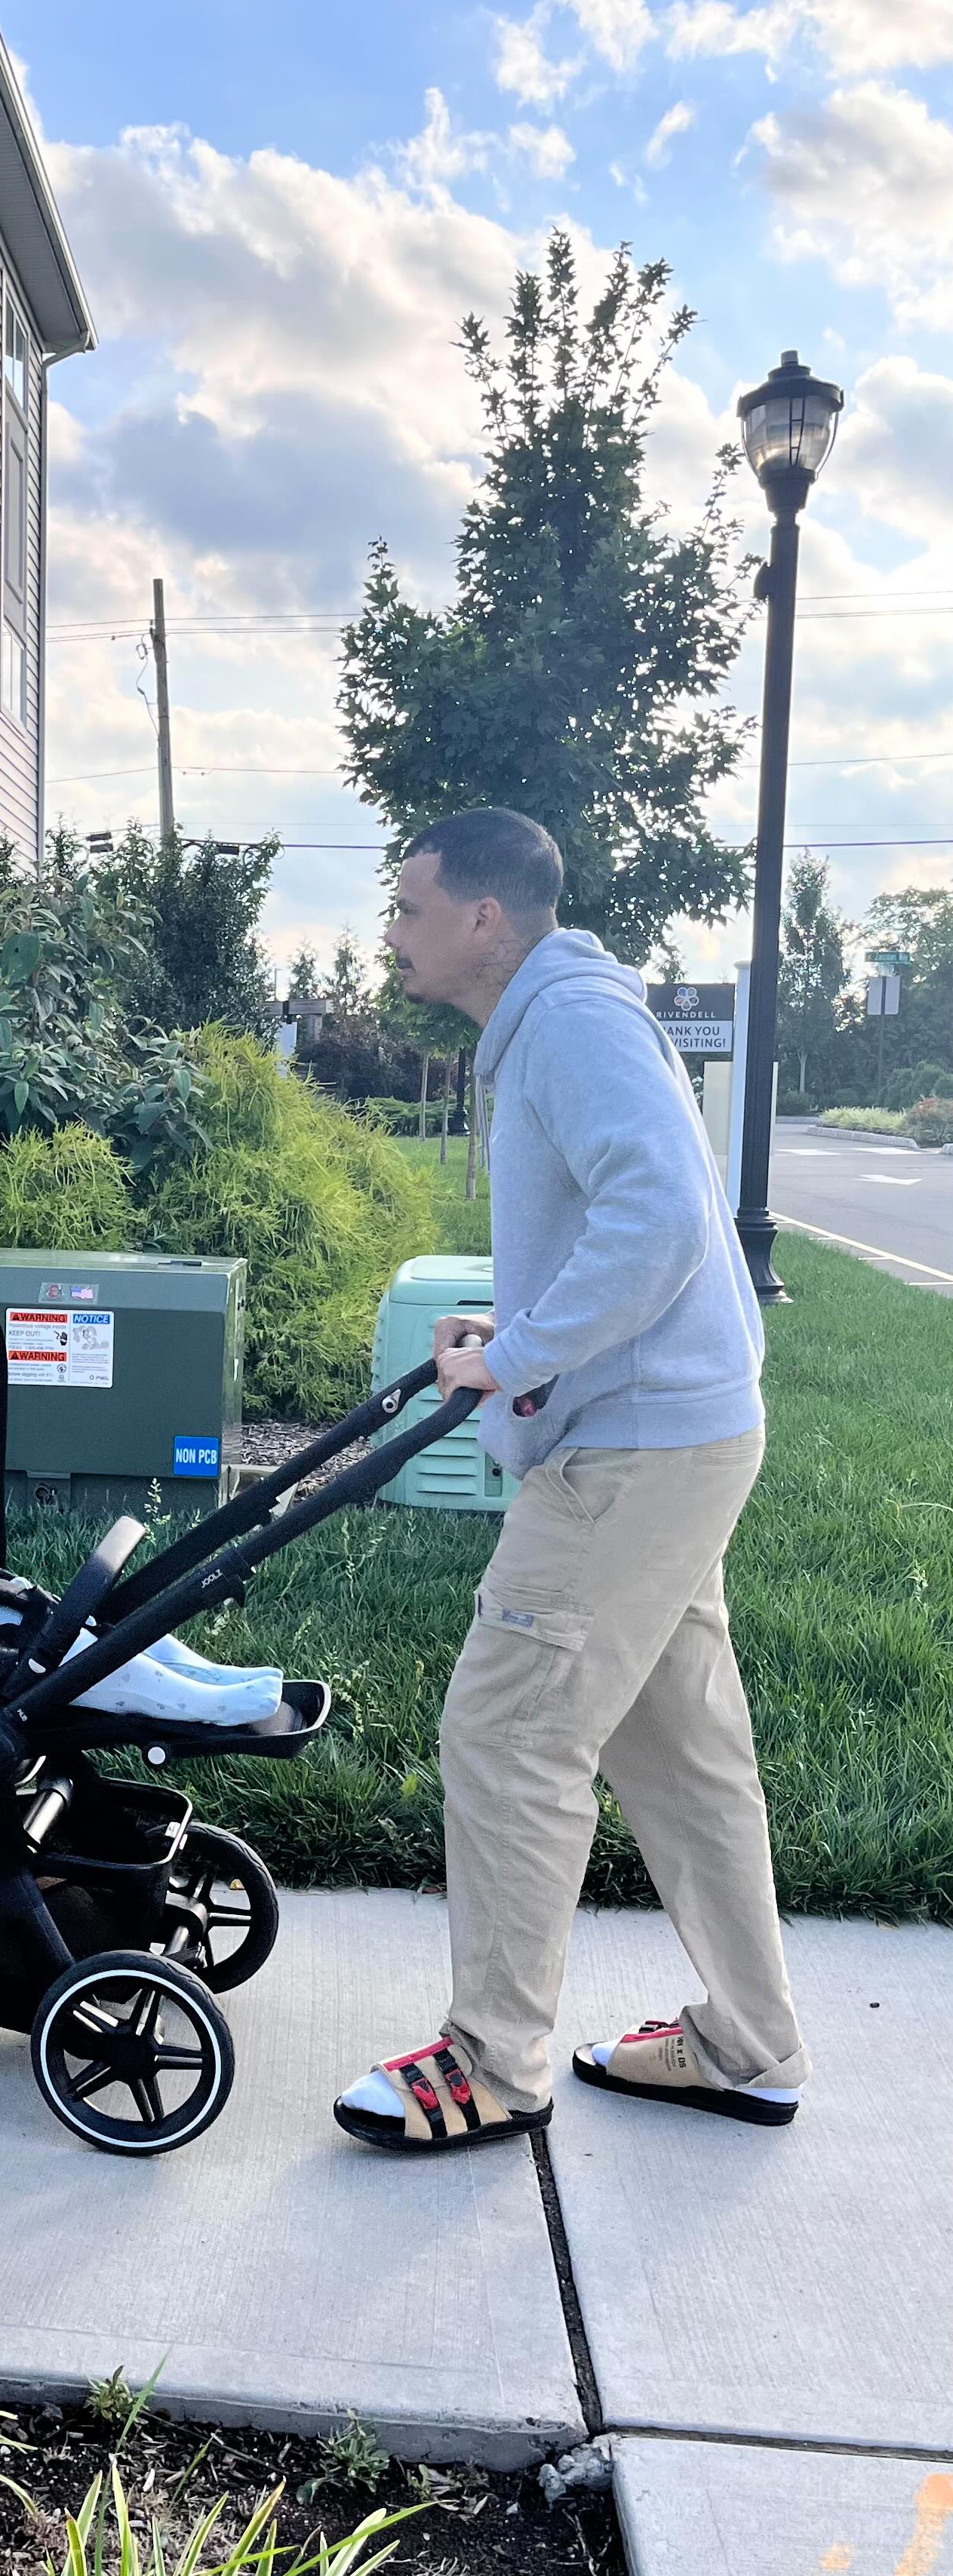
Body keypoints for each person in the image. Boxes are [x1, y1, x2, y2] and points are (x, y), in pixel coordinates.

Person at [334, 807, 808, 2157]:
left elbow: (659, 1219)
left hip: (632, 1451)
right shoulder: (562, 1017)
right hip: (672, 1430)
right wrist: (519, 1330)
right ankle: (751, 2045)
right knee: (681, 1755)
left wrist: (521, 1357)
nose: (393, 932)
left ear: (486, 917)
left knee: (510, 1731)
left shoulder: (573, 1023)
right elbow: (625, 1224)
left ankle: (492, 2064)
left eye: (411, 907)